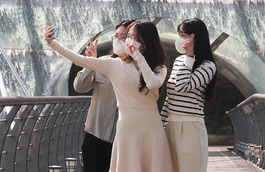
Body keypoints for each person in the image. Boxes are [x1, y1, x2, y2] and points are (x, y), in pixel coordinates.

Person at [44, 20, 173, 172]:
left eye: (135, 38)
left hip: (152, 129)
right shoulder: (114, 64)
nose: (130, 41)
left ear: (147, 42)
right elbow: (79, 60)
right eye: (129, 37)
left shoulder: (159, 67)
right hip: (127, 129)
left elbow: (152, 83)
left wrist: (138, 56)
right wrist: (53, 44)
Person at [73, 19, 135, 172]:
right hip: (95, 134)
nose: (118, 40)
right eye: (116, 36)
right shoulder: (102, 63)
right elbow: (80, 87)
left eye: (123, 37)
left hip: (123, 139)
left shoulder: (140, 69)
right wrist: (90, 63)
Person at [160, 18, 218, 172]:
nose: (179, 39)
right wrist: (161, 123)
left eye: (183, 35)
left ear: (195, 38)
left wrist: (190, 57)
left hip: (190, 126)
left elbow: (182, 86)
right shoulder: (179, 61)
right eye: (179, 34)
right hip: (171, 125)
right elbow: (170, 97)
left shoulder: (208, 66)